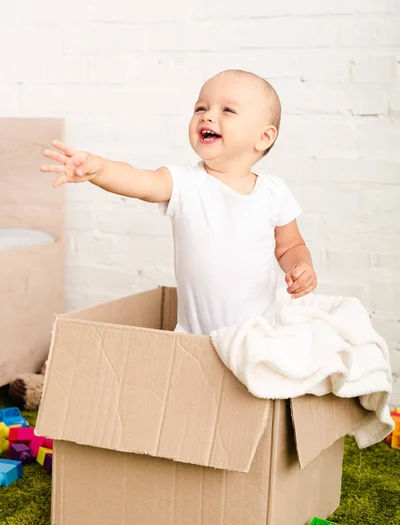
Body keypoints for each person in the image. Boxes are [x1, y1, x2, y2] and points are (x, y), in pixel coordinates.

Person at [41, 69, 317, 335]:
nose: (207, 116)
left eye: (227, 110)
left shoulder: (274, 193)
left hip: (256, 334)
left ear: (263, 137)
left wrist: (300, 267)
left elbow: (290, 245)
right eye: (200, 108)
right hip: (195, 336)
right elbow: (141, 181)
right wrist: (100, 169)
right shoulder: (186, 183)